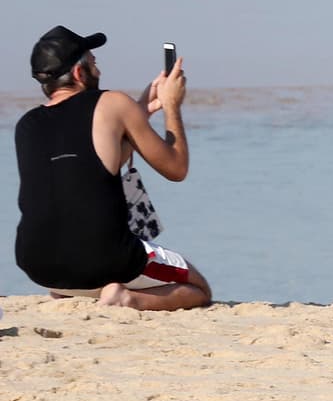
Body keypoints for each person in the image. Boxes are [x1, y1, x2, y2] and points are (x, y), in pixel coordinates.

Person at [13, 26, 211, 310]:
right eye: (94, 63)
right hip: (105, 260)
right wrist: (171, 105)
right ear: (80, 74)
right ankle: (126, 298)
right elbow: (176, 168)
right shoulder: (113, 102)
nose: (99, 71)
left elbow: (90, 169)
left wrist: (142, 108)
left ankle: (73, 291)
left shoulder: (27, 124)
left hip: (39, 267)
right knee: (198, 287)